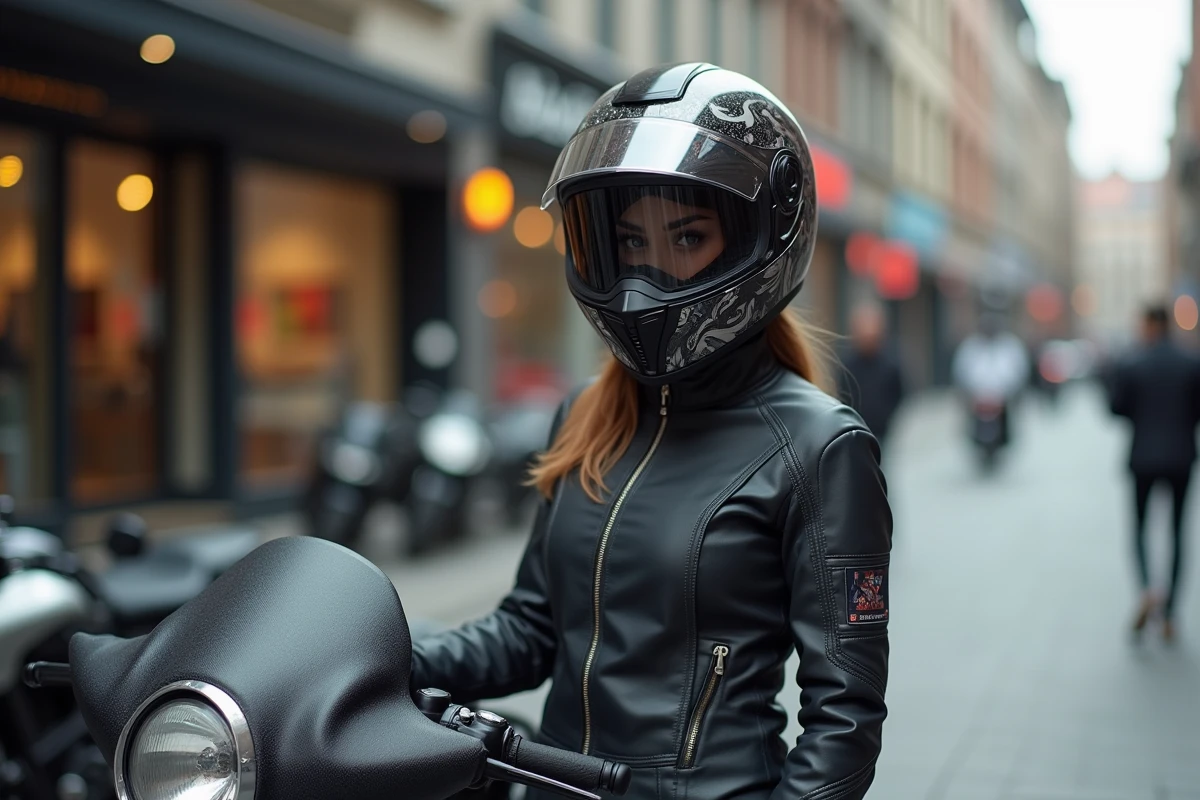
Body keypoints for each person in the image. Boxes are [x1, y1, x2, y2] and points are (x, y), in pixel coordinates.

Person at [410, 64, 891, 800]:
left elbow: (843, 717)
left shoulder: (820, 447)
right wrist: (388, 646)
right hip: (552, 786)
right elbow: (532, 631)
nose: (647, 274)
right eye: (630, 243)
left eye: (687, 237)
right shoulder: (586, 415)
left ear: (758, 238)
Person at [1108, 304, 1200, 643]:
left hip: (1143, 458)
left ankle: (1148, 589)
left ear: (1149, 325)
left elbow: (1116, 408)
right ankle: (1171, 612)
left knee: (1140, 530)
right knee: (1178, 532)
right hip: (1181, 457)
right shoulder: (1191, 362)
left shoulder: (1133, 363)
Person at [951, 311, 1030, 448]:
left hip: (1002, 396)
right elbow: (962, 371)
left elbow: (1018, 371)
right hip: (977, 397)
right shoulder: (971, 346)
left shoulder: (1009, 345)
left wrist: (1010, 391)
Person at [837, 302, 905, 450]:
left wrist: (887, 417)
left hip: (882, 431)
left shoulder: (890, 363)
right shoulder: (848, 365)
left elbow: (899, 392)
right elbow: (842, 395)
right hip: (854, 430)